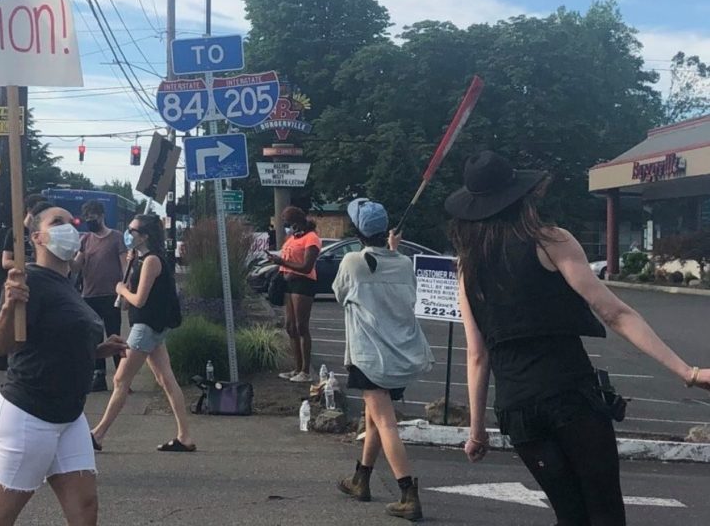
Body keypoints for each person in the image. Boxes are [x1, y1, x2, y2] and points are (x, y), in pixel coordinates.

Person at [447, 150, 710, 526]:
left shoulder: (466, 266)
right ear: (522, 196)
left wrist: (476, 431)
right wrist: (688, 371)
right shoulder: (550, 241)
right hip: (570, 395)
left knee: (570, 515)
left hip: (517, 410)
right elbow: (614, 311)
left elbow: (477, 354)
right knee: (604, 512)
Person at [0, 203, 128, 526]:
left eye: (71, 221)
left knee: (85, 508)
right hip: (30, 413)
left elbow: (55, 342)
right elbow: (0, 346)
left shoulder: (66, 284)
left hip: (68, 415)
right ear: (37, 237)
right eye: (58, 221)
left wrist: (97, 350)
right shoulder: (30, 282)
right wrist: (9, 307)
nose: (70, 227)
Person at [332, 199, 433, 521]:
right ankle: (361, 479)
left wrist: (383, 252)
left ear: (357, 231)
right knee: (374, 418)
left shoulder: (352, 261)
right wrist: (393, 250)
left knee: (385, 422)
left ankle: (407, 493)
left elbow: (340, 294)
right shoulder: (403, 263)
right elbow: (403, 289)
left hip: (369, 355)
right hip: (398, 352)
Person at [90, 214, 193, 453]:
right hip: (151, 326)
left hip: (145, 327)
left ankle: (98, 433)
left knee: (120, 379)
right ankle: (185, 435)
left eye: (133, 230)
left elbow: (138, 299)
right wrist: (128, 271)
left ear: (144, 235)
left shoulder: (152, 261)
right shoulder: (141, 259)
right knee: (165, 379)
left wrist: (121, 289)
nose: (128, 233)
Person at [73, 200, 129, 392]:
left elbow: (124, 266)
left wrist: (125, 292)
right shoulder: (86, 240)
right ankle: (98, 377)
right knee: (94, 338)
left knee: (114, 335)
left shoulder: (116, 238)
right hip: (90, 295)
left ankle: (122, 378)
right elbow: (77, 265)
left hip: (110, 294)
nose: (90, 222)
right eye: (87, 219)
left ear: (102, 216)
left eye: (93, 218)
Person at [270, 206, 322, 383]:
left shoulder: (312, 238)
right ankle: (297, 367)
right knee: (290, 326)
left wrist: (283, 261)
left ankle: (306, 370)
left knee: (301, 326)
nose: (289, 227)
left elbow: (307, 266)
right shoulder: (293, 237)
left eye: (289, 223)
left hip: (303, 283)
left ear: (297, 222)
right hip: (288, 281)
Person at [1, 193, 45, 270]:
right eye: (39, 210)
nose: (41, 214)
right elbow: (6, 262)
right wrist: (28, 265)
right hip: (21, 276)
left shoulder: (44, 232)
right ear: (29, 210)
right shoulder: (15, 231)